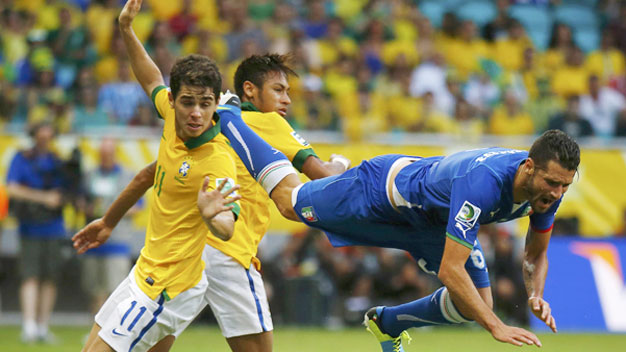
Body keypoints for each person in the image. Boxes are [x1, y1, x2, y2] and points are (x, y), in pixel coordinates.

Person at [216, 100, 578, 351]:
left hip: (433, 219)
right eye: (552, 183)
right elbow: (451, 270)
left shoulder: (547, 190)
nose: (557, 193)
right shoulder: (482, 183)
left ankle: (387, 323)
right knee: (291, 205)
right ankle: (228, 115)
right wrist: (497, 326)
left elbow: (534, 253)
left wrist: (535, 294)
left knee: (475, 303)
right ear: (529, 167)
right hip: (383, 192)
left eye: (565, 185)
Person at [74, 51, 350, 351]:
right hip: (227, 248)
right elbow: (323, 176)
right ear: (249, 90)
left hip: (188, 251)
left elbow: (148, 173)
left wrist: (108, 221)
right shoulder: (267, 123)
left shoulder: (205, 123)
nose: (287, 100)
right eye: (278, 90)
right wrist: (341, 163)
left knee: (152, 339)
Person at [72, 0, 242, 351]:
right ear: (174, 99)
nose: (196, 113)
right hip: (147, 272)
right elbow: (149, 74)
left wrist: (214, 217)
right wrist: (126, 29)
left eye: (206, 103)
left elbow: (228, 225)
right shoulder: (169, 116)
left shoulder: (218, 160)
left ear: (215, 104)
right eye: (188, 102)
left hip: (167, 284)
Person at [6, 122, 68, 343]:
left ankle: (43, 325)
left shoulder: (57, 160)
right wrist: (43, 198)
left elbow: (67, 190)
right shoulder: (21, 158)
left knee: (50, 277)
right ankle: (29, 325)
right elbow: (11, 188)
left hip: (54, 225)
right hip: (29, 225)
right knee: (30, 275)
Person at [81, 138, 140, 317]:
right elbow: (81, 201)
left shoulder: (127, 176)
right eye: (103, 154)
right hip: (93, 242)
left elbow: (138, 207)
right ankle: (95, 330)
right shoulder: (90, 175)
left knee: (116, 289)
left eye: (109, 154)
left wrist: (111, 211)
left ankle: (113, 329)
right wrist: (88, 208)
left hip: (118, 241)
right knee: (95, 289)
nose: (106, 157)